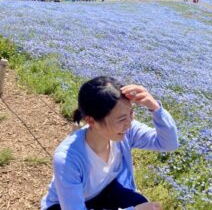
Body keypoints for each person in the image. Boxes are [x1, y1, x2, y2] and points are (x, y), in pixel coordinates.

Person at [41, 76, 178, 210]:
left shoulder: (125, 132)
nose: (129, 125)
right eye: (122, 119)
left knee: (143, 203)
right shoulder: (67, 159)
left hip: (104, 191)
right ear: (91, 121)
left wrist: (155, 108)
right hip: (62, 205)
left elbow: (169, 143)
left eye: (131, 113)